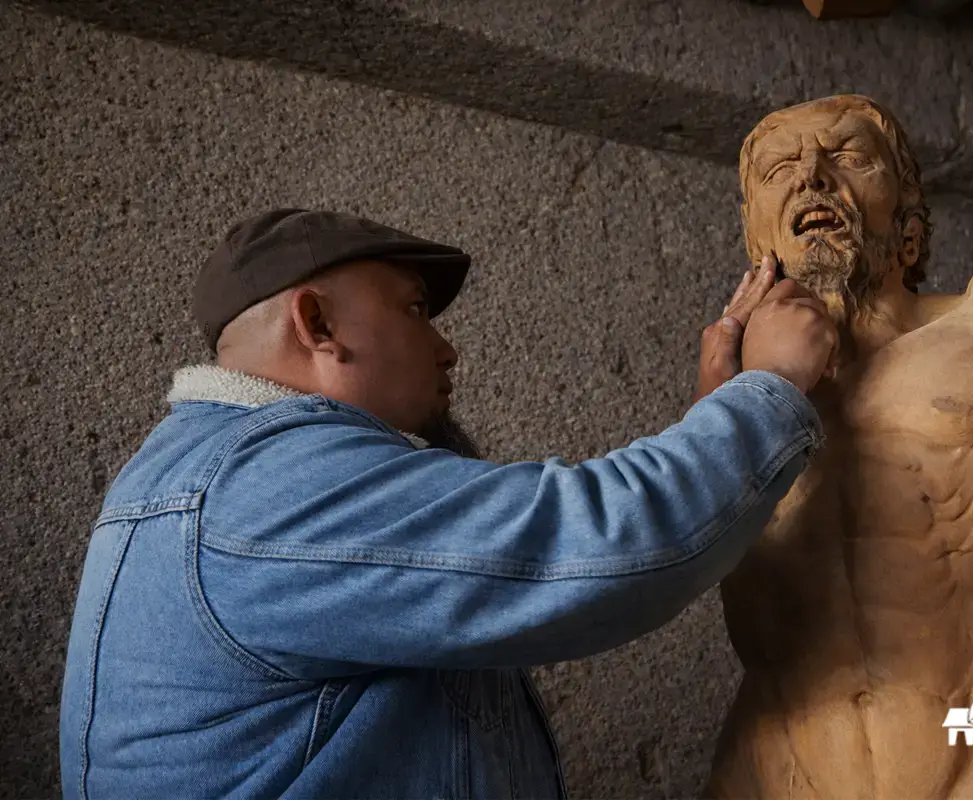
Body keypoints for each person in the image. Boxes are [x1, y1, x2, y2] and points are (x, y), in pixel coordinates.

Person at [58, 208, 837, 799]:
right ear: (316, 322)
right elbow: (597, 545)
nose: (446, 347)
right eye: (415, 309)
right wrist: (768, 394)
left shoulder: (221, 475)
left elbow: (523, 573)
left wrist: (716, 424)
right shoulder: (264, 488)